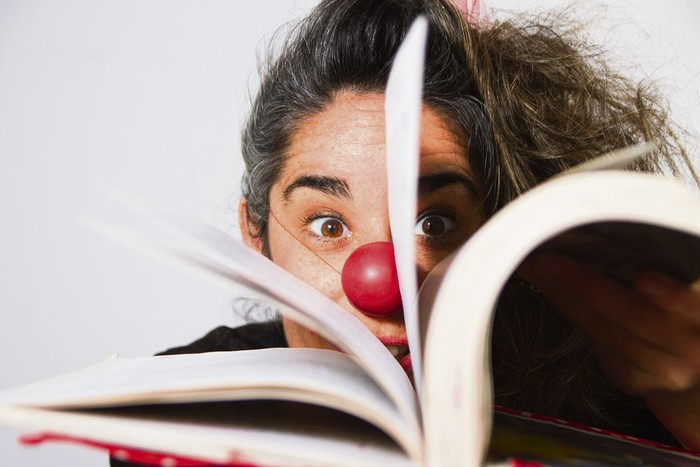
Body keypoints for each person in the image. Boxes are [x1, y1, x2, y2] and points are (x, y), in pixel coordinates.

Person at [112, 0, 700, 465]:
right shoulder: (181, 414)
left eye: (434, 222)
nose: (381, 282)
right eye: (327, 224)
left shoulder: (624, 395)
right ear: (257, 236)